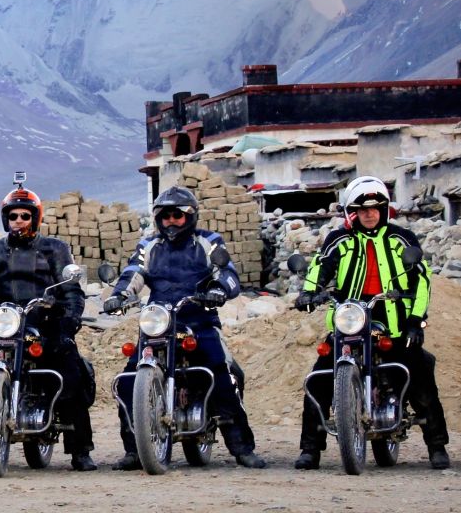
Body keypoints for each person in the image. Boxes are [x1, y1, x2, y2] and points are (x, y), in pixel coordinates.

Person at [102, 185, 266, 469]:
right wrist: (120, 295)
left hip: (198, 319)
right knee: (129, 378)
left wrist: (218, 290)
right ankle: (134, 449)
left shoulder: (208, 242)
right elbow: (134, 273)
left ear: (190, 215)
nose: (171, 221)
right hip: (159, 322)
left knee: (220, 373)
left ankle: (242, 448)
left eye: (177, 215)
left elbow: (226, 273)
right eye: (165, 216)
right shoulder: (149, 246)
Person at [293, 175, 450, 470]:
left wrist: (416, 321)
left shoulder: (401, 238)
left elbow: (422, 279)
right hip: (349, 322)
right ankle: (310, 449)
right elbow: (320, 266)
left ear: (384, 209)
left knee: (418, 371)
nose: (369, 213)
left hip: (394, 323)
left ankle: (436, 445)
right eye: (361, 209)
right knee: (319, 378)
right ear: (351, 212)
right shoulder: (338, 240)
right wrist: (309, 293)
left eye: (375, 208)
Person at [0, 185, 97, 470]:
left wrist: (70, 318)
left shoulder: (54, 248)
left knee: (69, 367)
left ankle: (80, 449)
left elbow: (71, 288)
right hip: (5, 319)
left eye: (25, 216)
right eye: (13, 215)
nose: (19, 220)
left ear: (35, 218)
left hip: (44, 319)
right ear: (6, 219)